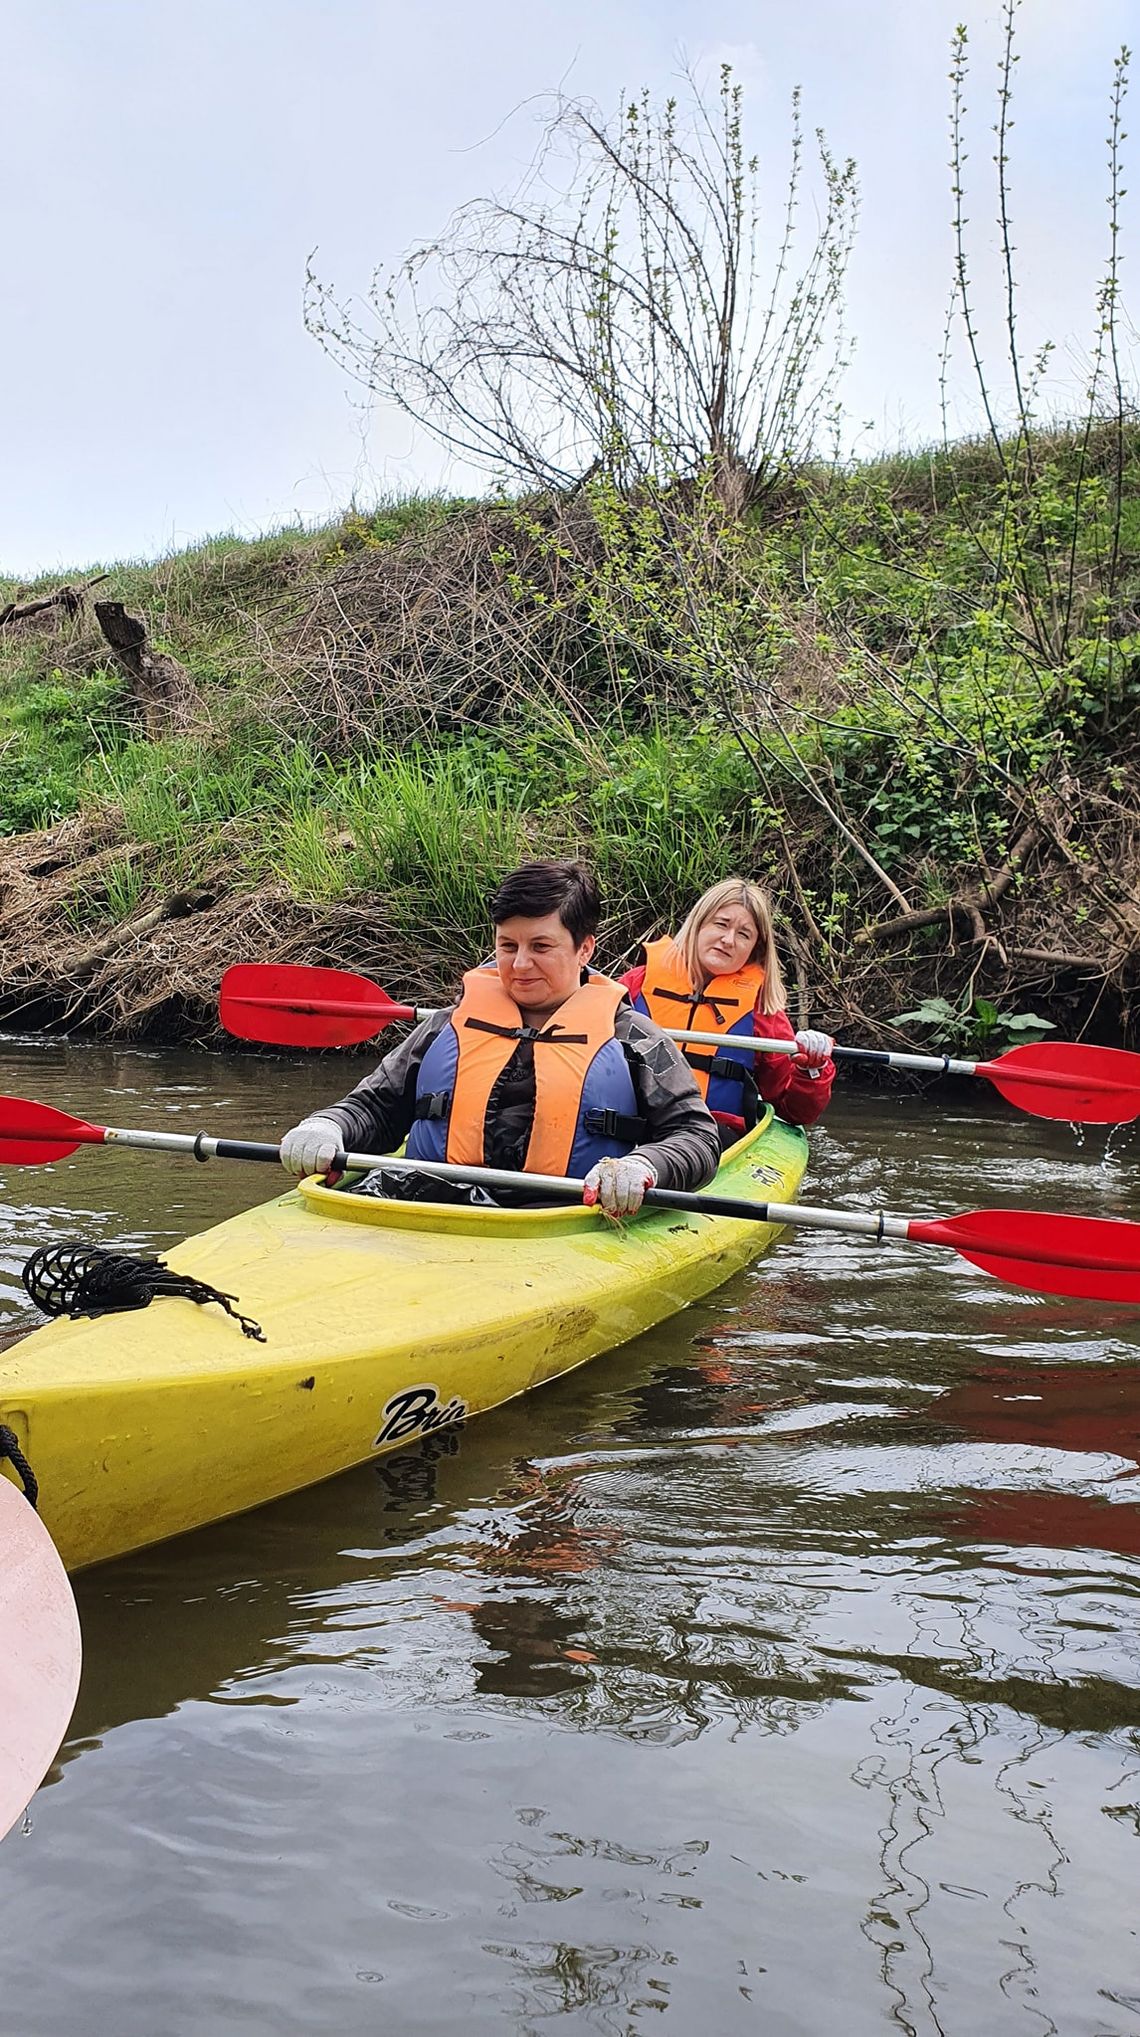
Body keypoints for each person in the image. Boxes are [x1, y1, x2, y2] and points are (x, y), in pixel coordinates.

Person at [279, 860, 721, 1217]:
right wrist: (328, 1126)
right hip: (430, 1207)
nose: (520, 964)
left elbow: (696, 1137)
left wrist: (645, 1166)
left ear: (584, 949)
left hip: (561, 1218)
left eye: (541, 947)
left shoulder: (634, 1038)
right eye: (508, 946)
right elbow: (374, 1108)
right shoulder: (446, 1025)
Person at [621, 877, 835, 1140]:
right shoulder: (634, 985)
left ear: (754, 949)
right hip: (631, 1123)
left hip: (710, 1136)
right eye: (721, 924)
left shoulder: (761, 1012)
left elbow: (795, 1111)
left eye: (744, 934)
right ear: (698, 925)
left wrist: (811, 1069)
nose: (728, 940)